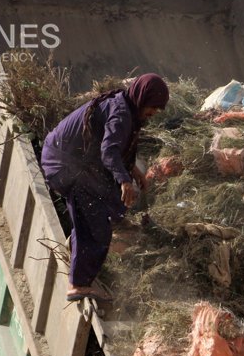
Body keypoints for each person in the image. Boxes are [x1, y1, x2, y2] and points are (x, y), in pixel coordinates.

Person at [41, 73, 169, 301]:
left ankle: (77, 247)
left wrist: (133, 171)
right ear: (142, 97)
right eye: (153, 107)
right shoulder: (121, 114)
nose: (154, 113)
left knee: (107, 201)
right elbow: (109, 151)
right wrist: (124, 180)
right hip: (63, 164)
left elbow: (117, 146)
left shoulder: (125, 105)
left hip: (72, 160)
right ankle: (78, 285)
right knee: (96, 223)